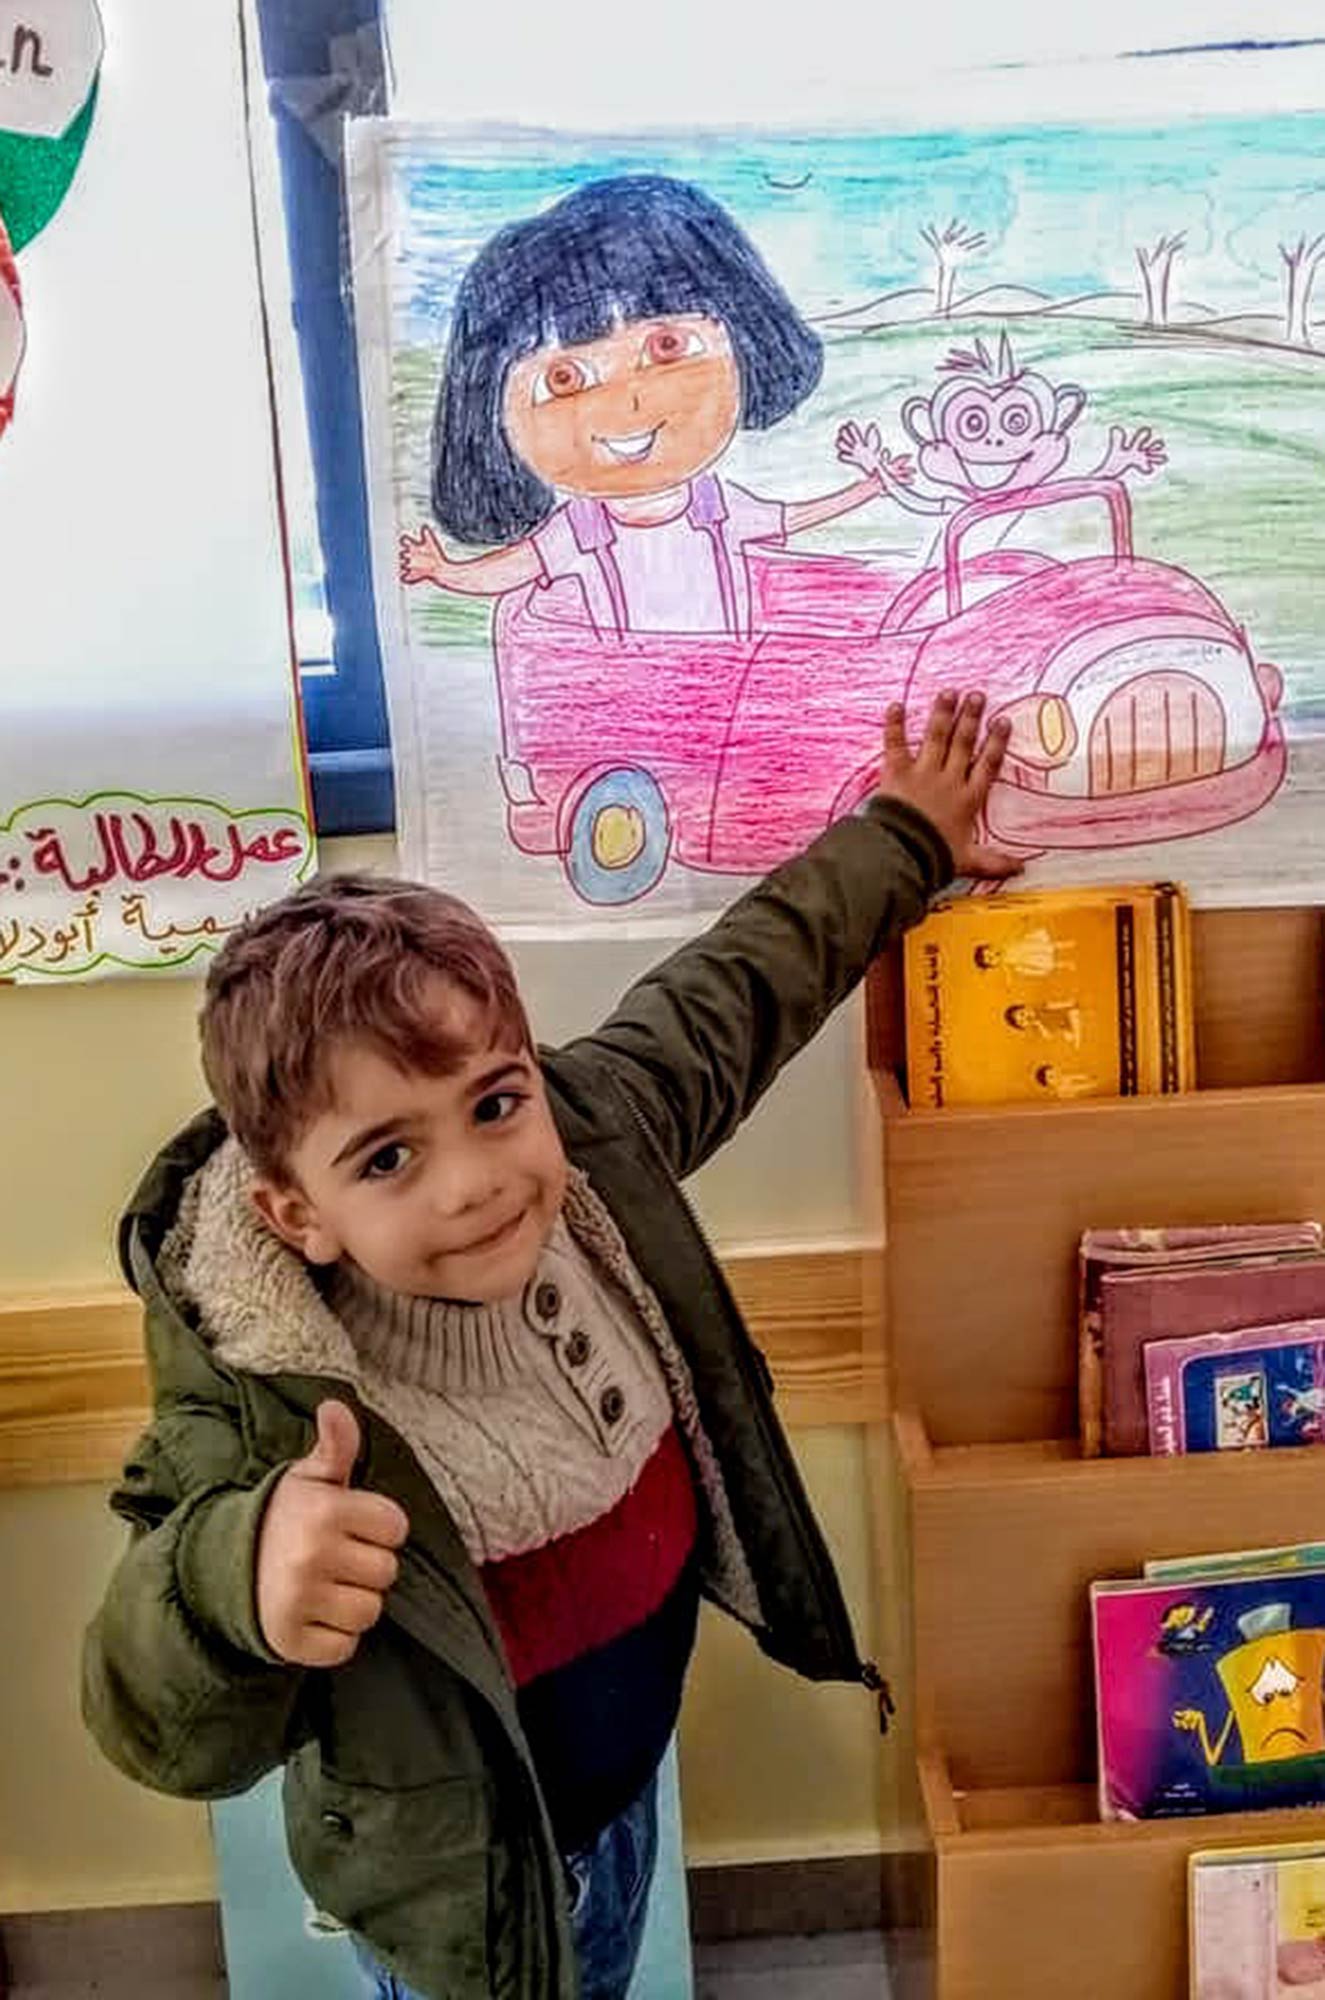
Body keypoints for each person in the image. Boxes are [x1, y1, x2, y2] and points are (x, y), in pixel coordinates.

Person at [82, 692, 1019, 2000]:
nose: (475, 1180)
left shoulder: (588, 1143)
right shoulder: (268, 1398)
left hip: (623, 1798)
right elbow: (145, 1713)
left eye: (493, 1102)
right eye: (389, 1156)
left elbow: (734, 990)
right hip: (470, 1896)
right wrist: (241, 1575)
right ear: (296, 1213)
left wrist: (905, 836)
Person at [397, 174, 911, 639]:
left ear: (747, 338)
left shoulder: (716, 508)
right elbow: (512, 569)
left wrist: (870, 488)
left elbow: (790, 519)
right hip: (631, 690)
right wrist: (443, 572)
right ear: (491, 411)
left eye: (667, 347)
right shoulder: (580, 529)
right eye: (564, 378)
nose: (628, 405)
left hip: (723, 680)